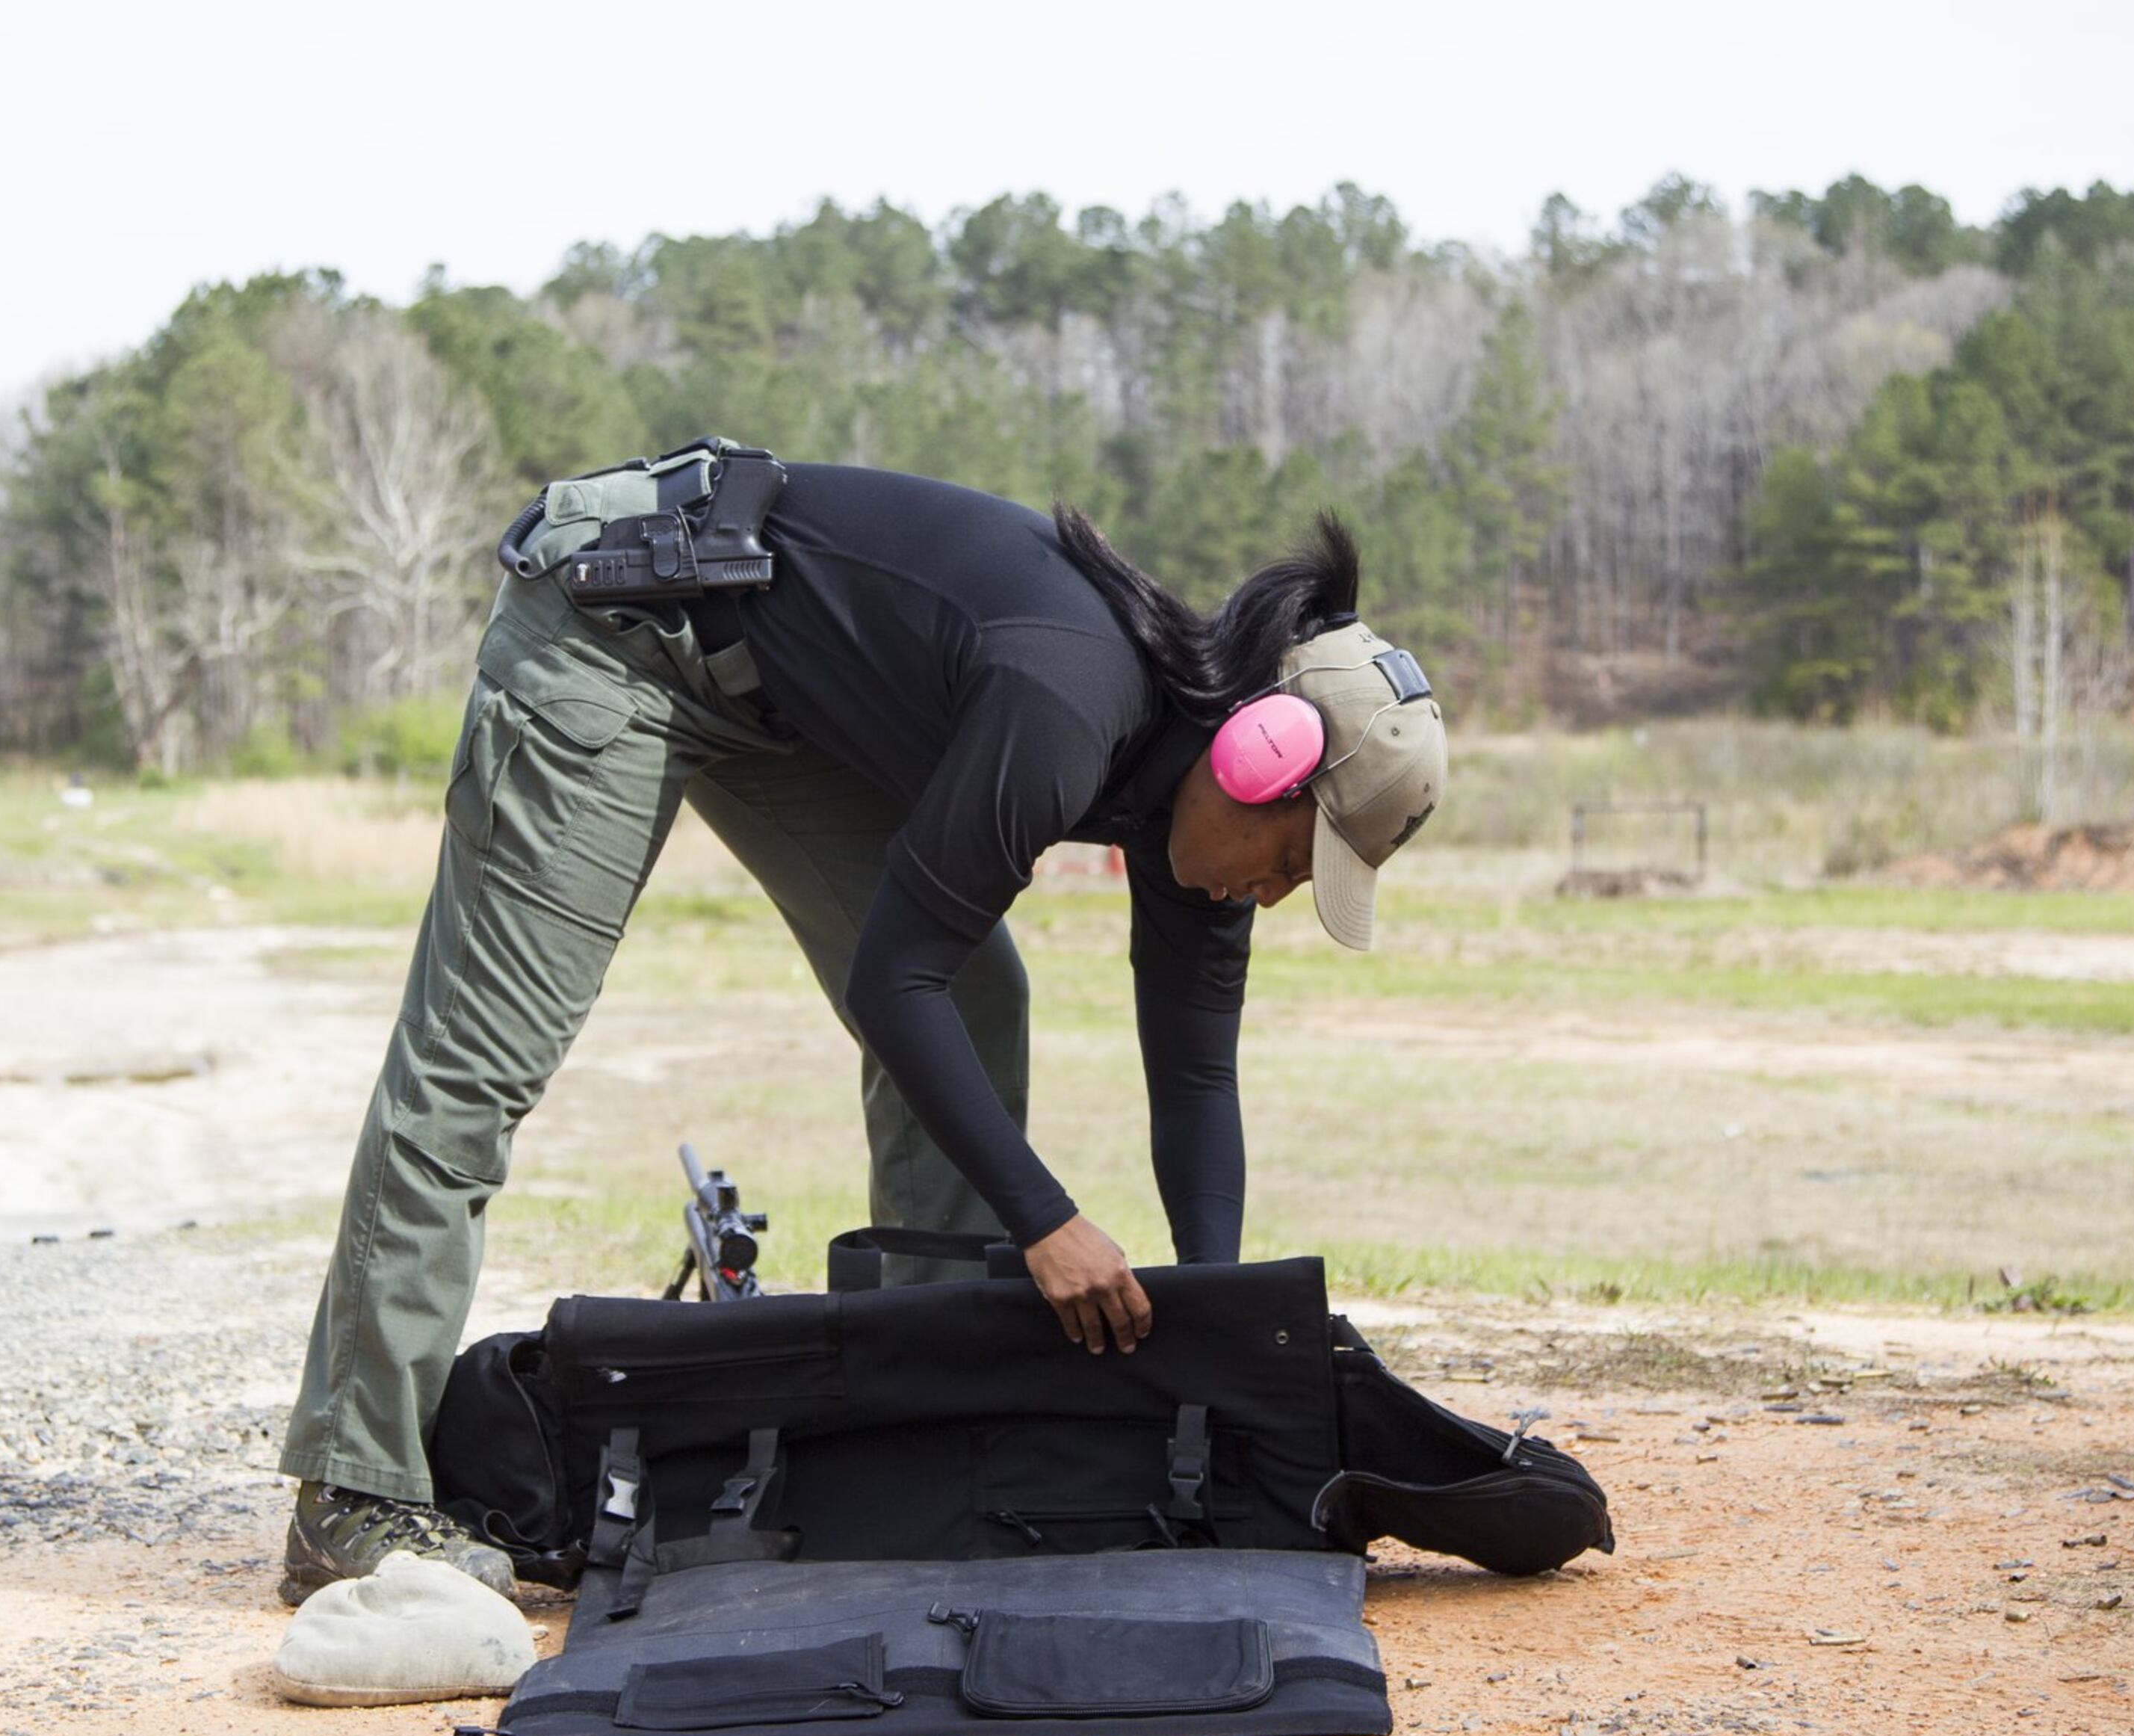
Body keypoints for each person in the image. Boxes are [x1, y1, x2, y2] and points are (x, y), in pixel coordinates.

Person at [274, 445, 1446, 1605]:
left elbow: (1194, 1078)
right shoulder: (1064, 697)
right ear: (1257, 764)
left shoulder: (1199, 832)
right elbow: (895, 980)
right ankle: (354, 1492)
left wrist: (1218, 1333)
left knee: (979, 1001)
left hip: (771, 692)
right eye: (1299, 860)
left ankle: (900, 1419)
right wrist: (1046, 1221)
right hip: (619, 628)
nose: (1283, 893)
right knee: (480, 1061)